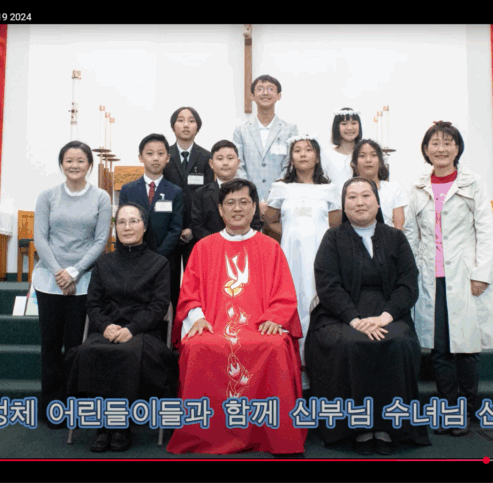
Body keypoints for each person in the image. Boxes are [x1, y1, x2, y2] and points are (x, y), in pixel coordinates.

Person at [166, 179, 306, 455]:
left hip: (260, 325)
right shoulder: (204, 247)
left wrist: (275, 317)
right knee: (197, 346)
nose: (237, 208)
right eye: (230, 203)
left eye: (244, 202)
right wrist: (197, 317)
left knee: (275, 346)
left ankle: (274, 435)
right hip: (213, 324)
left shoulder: (270, 247)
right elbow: (189, 292)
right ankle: (204, 435)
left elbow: (284, 293)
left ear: (254, 208)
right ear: (220, 209)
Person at [306, 177, 430, 455]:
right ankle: (356, 427)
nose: (360, 202)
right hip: (340, 314)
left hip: (388, 313)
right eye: (352, 197)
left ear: (377, 202)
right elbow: (328, 284)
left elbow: (408, 283)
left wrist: (386, 316)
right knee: (349, 343)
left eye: (366, 196)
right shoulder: (332, 238)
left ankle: (388, 426)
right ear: (344, 205)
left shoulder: (396, 238)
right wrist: (354, 319)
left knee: (398, 342)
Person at [403, 121, 493, 437]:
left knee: (467, 347)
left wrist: (481, 273)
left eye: (448, 142)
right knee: (440, 349)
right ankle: (450, 411)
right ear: (426, 149)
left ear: (457, 148)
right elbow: (411, 234)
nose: (441, 148)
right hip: (431, 277)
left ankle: (468, 411)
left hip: (466, 276)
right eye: (435, 143)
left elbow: (485, 229)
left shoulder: (473, 183)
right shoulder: (418, 186)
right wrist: (411, 274)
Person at [65, 203, 175, 452]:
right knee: (88, 351)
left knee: (129, 353)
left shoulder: (159, 263)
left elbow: (159, 306)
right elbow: (93, 304)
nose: (127, 227)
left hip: (143, 330)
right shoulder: (103, 263)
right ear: (115, 228)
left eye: (134, 221)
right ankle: (103, 425)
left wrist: (132, 329)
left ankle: (120, 425)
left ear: (144, 226)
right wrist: (105, 326)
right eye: (122, 222)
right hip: (108, 328)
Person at [32, 140, 112, 428]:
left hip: (84, 281)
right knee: (51, 345)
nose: (74, 165)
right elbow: (40, 238)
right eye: (69, 160)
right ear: (61, 164)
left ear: (89, 165)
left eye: (80, 160)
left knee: (77, 346)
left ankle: (75, 405)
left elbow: (101, 240)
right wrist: (59, 273)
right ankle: (53, 407)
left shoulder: (101, 197)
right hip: (49, 281)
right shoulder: (47, 196)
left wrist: (75, 272)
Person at [264, 135, 341, 389]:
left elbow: (335, 225)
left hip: (320, 259)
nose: (303, 154)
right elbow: (270, 221)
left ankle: (317, 367)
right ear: (291, 157)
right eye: (297, 150)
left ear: (317, 157)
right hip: (291, 258)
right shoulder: (281, 187)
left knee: (316, 304)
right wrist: (289, 234)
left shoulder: (329, 189)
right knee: (292, 304)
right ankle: (292, 368)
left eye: (308, 150)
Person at [162, 107, 214, 309]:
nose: (186, 125)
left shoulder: (206, 157)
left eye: (191, 121)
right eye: (181, 120)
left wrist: (193, 228)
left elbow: (208, 197)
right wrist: (174, 229)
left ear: (198, 127)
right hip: (169, 230)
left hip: (196, 231)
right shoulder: (164, 155)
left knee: (196, 283)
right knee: (169, 281)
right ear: (173, 126)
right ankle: (172, 324)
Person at [233, 74, 298, 219]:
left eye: (270, 89)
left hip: (280, 202)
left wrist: (272, 200)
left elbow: (289, 166)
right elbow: (238, 165)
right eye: (260, 89)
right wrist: (253, 198)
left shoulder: (290, 129)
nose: (265, 93)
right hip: (247, 202)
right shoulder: (241, 130)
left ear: (278, 96)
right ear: (252, 96)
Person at [190, 140, 263, 241]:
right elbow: (197, 226)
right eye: (220, 158)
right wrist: (218, 243)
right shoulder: (200, 194)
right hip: (211, 246)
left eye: (230, 158)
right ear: (211, 163)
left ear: (238, 163)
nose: (225, 163)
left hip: (244, 245)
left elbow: (256, 222)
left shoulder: (249, 190)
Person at [350, 139, 408, 229]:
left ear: (380, 161)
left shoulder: (393, 189)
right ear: (354, 163)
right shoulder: (348, 191)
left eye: (373, 155)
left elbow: (399, 228)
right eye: (362, 156)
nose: (368, 160)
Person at [321, 107, 363, 195]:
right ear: (336, 127)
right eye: (344, 124)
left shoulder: (364, 155)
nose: (350, 128)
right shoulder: (327, 156)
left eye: (354, 123)